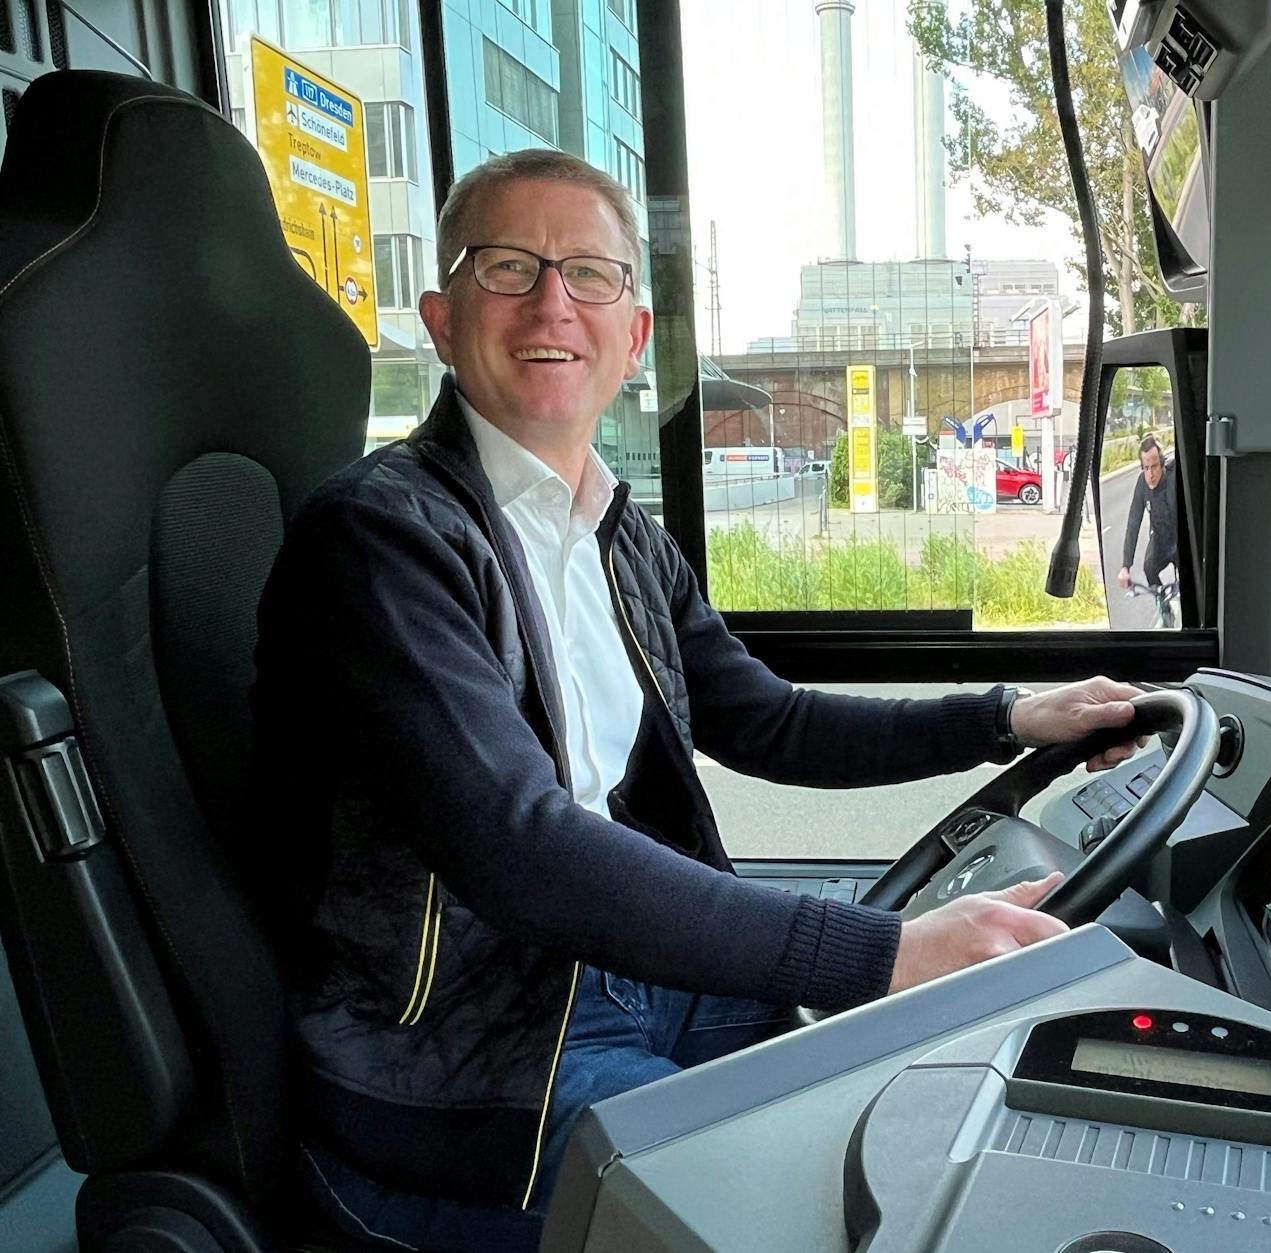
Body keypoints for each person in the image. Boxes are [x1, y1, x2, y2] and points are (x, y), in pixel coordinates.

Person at [251, 149, 1146, 1251]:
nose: (550, 304)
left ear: (632, 335)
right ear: (442, 317)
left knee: (905, 1106)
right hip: (454, 1051)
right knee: (797, 1206)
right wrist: (883, 950)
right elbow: (518, 844)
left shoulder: (624, 539)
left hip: (619, 977)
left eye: (589, 274)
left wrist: (1005, 716)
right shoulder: (381, 540)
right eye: (508, 267)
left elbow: (770, 719)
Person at [1117, 434, 1180, 593]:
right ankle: (1164, 609)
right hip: (1160, 539)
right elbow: (1133, 523)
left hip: (1180, 538)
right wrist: (1126, 566)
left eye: (1154, 466)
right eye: (1146, 468)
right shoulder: (1142, 484)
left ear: (1162, 463)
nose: (1150, 474)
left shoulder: (1174, 478)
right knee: (1149, 567)